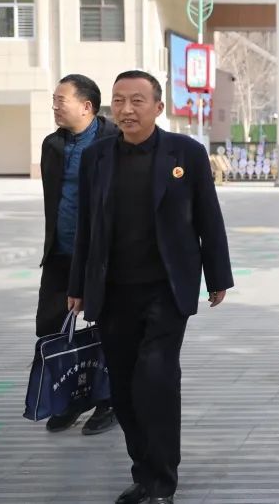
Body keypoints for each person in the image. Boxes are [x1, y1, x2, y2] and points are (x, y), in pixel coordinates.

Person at [68, 70, 234, 504]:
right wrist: (77, 284)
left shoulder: (187, 153)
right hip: (112, 292)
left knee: (156, 380)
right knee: (123, 388)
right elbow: (85, 226)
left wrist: (218, 276)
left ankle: (162, 483)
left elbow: (208, 217)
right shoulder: (97, 157)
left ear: (158, 107)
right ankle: (143, 472)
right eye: (119, 100)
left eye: (137, 101)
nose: (126, 109)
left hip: (166, 290)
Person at [39, 74, 119, 434]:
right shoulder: (52, 145)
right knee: (51, 328)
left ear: (87, 106)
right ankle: (70, 398)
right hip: (61, 252)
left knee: (108, 329)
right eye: (54, 100)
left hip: (104, 256)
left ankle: (108, 401)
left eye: (61, 100)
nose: (55, 106)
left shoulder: (115, 140)